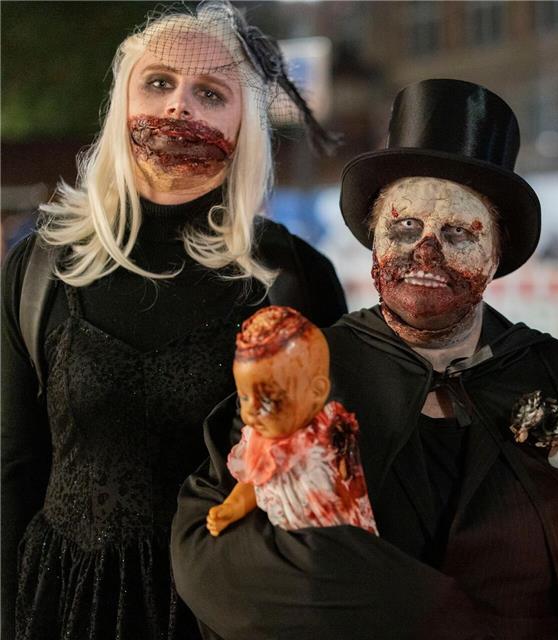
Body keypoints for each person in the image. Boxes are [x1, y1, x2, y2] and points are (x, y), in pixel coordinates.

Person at [171, 78, 558, 640]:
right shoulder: (301, 370)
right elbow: (215, 556)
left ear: (496, 253)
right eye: (405, 227)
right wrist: (428, 614)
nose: (426, 250)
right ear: (373, 238)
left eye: (458, 232)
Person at [0, 3, 346, 638]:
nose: (177, 106)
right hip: (59, 605)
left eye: (209, 92)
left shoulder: (292, 277)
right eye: (158, 83)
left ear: (244, 127)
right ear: (122, 103)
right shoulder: (42, 265)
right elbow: (11, 464)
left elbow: (322, 482)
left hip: (222, 613)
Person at [205, 305, 376, 536]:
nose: (252, 411)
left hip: (331, 542)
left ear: (317, 392)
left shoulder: (324, 442)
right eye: (244, 397)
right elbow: (256, 480)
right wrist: (232, 507)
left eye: (269, 401)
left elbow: (348, 498)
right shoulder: (259, 439)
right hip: (282, 542)